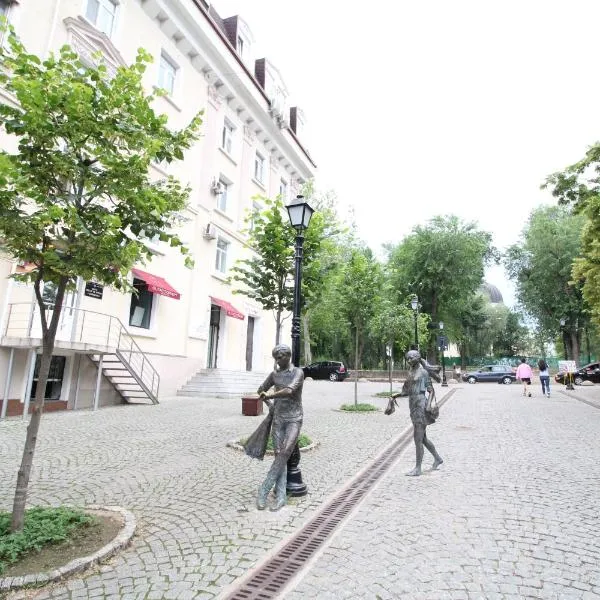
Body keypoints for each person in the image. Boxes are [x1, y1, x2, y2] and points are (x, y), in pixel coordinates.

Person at [255, 344, 304, 511]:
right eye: (275, 357)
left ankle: (263, 490)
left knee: (284, 452)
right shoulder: (274, 375)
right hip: (278, 420)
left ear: (288, 356)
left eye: (280, 356)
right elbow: (261, 390)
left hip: (294, 419)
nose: (277, 360)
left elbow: (290, 390)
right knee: (279, 455)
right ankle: (281, 496)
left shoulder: (297, 373)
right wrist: (270, 404)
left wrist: (270, 395)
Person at [390, 350, 443, 477]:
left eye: (411, 358)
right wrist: (394, 396)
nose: (408, 361)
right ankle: (437, 458)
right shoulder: (411, 372)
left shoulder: (423, 373)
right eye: (407, 359)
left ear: (417, 358)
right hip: (413, 405)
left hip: (421, 406)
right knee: (423, 438)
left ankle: (418, 468)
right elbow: (406, 391)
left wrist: (429, 405)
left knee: (417, 438)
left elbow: (431, 391)